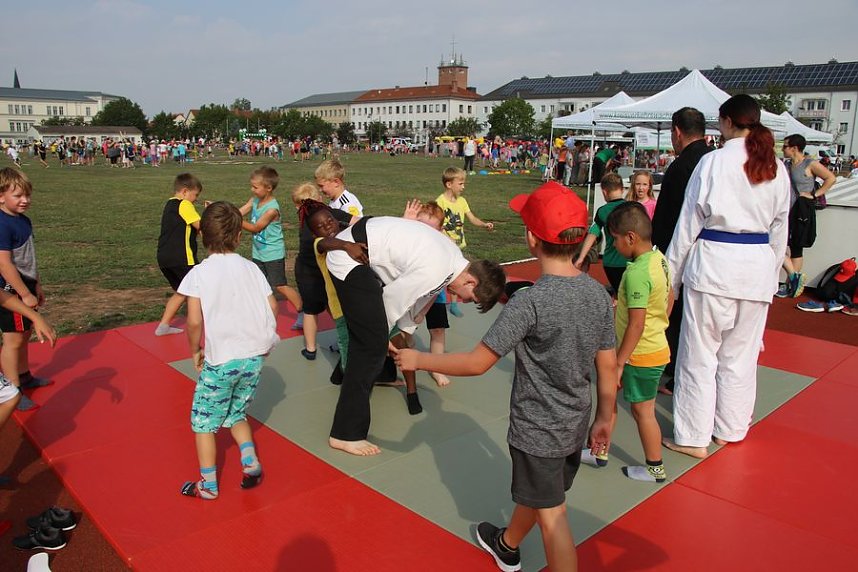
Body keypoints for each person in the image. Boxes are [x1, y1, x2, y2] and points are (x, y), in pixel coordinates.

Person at [394, 181, 617, 572]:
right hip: (575, 422)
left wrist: (420, 359)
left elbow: (477, 362)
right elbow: (608, 365)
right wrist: (605, 416)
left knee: (553, 515)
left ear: (531, 238)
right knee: (540, 495)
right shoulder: (598, 294)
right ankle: (507, 544)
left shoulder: (529, 301)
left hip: (538, 431)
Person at [664, 94, 790, 459]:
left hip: (714, 268)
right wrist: (771, 274)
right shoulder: (776, 167)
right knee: (740, 356)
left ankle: (692, 435)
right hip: (756, 267)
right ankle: (730, 429)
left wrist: (671, 277)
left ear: (726, 122)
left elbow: (688, 225)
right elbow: (780, 231)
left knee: (699, 355)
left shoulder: (713, 162)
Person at [324, 216, 506, 456]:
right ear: (471, 281)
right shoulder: (438, 269)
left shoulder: (452, 260)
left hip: (366, 251)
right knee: (368, 348)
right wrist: (384, 334)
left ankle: (381, 375)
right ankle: (344, 435)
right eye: (470, 297)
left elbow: (418, 302)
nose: (462, 300)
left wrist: (403, 334)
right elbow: (391, 300)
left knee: (376, 343)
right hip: (348, 256)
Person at [177, 201, 279, 500]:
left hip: (222, 359)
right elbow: (272, 306)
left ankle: (208, 485)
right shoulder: (252, 269)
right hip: (254, 358)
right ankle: (250, 462)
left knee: (203, 422)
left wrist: (195, 350)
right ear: (238, 237)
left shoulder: (200, 273)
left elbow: (194, 321)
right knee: (237, 414)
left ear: (202, 236)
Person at [597, 201, 672, 483]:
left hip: (640, 355)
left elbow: (637, 323)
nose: (613, 245)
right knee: (609, 397)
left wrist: (619, 362)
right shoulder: (658, 259)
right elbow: (670, 296)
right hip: (651, 348)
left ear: (630, 237)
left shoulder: (638, 273)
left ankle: (655, 468)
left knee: (643, 412)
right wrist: (660, 323)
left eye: (614, 239)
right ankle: (599, 449)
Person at [650, 107, 712, 395]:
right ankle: (675, 366)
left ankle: (677, 372)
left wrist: (661, 254)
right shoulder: (712, 160)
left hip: (681, 250)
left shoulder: (684, 165)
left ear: (676, 132)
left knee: (678, 317)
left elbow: (672, 217)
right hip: (714, 254)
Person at [0, 168, 50, 411]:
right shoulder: (2, 223)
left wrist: (36, 284)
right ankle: (12, 389)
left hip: (26, 283)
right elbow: (4, 263)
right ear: (1, 196)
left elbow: (28, 256)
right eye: (18, 195)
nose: (25, 200)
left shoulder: (23, 220)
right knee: (13, 340)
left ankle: (24, 375)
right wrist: (24, 293)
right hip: (12, 288)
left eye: (27, 195)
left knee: (24, 335)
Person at [239, 166, 303, 338]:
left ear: (268, 188)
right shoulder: (254, 200)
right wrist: (223, 211)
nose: (252, 190)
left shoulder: (272, 210)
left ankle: (302, 311)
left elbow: (255, 227)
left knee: (280, 285)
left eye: (255, 187)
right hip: (258, 252)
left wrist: (234, 220)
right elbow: (240, 211)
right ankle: (262, 315)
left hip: (273, 253)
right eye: (252, 186)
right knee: (259, 285)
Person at [291, 182, 353, 358]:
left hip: (307, 271)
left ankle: (310, 349)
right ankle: (347, 338)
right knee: (334, 306)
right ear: (318, 199)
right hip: (326, 269)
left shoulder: (306, 222)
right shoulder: (328, 213)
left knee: (310, 310)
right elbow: (357, 221)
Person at [776, 133, 837, 299]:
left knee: (796, 247)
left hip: (801, 210)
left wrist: (815, 194)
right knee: (779, 244)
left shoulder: (809, 164)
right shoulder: (785, 164)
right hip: (786, 210)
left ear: (794, 148)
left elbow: (830, 178)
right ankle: (795, 279)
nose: (782, 149)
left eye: (785, 146)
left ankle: (791, 283)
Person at [436, 167, 494, 316]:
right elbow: (437, 224)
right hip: (443, 247)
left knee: (458, 275)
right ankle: (437, 301)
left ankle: (454, 303)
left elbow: (472, 218)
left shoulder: (462, 201)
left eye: (463, 183)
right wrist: (448, 239)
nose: (463, 187)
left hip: (458, 247)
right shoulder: (440, 202)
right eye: (460, 183)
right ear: (449, 184)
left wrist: (483, 224)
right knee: (442, 274)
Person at [155, 174, 203, 336]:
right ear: (184, 191)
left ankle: (163, 326)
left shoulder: (169, 204)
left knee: (182, 291)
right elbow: (200, 225)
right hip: (182, 257)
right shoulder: (185, 204)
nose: (195, 199)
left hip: (164, 258)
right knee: (199, 290)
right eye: (195, 195)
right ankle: (209, 325)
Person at [574, 172, 628, 293]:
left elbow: (593, 233)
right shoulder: (632, 208)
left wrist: (581, 257)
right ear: (622, 189)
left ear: (604, 192)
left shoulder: (602, 211)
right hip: (630, 261)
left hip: (611, 263)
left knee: (619, 295)